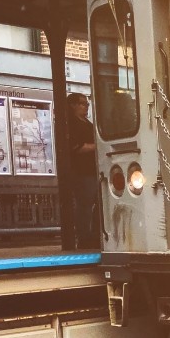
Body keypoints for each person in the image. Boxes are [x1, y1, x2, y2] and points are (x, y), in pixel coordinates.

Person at [66, 93, 100, 249]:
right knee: (85, 205)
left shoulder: (86, 122)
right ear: (73, 105)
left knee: (96, 203)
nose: (86, 106)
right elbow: (76, 147)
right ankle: (84, 237)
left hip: (92, 169)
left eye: (87, 104)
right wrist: (97, 146)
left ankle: (94, 235)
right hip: (82, 171)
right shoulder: (71, 123)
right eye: (83, 103)